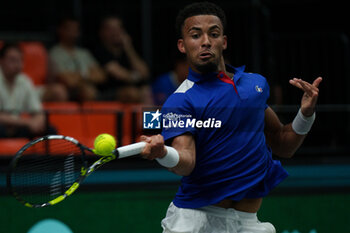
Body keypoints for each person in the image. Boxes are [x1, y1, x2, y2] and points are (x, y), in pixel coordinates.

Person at [140, 2, 322, 233]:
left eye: (213, 34)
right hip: (195, 221)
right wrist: (163, 153)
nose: (206, 41)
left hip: (248, 223)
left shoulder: (255, 85)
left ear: (223, 42)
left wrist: (305, 114)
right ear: (182, 45)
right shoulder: (179, 102)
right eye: (195, 35)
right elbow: (186, 161)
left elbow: (282, 142)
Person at [93, 15, 152, 104]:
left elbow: (144, 73)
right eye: (111, 29)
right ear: (102, 32)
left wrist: (128, 47)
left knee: (146, 90)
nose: (115, 32)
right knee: (132, 93)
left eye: (118, 28)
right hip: (106, 93)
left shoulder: (126, 52)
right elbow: (120, 74)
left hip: (129, 90)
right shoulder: (99, 52)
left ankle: (148, 118)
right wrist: (137, 76)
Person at [50, 17, 105, 102]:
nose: (73, 33)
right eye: (69, 29)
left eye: (76, 30)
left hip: (91, 89)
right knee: (88, 92)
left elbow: (101, 76)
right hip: (69, 93)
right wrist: (88, 74)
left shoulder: (84, 53)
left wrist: (78, 75)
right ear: (60, 30)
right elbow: (68, 81)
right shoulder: (54, 53)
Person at [0, 43, 49, 138]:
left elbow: (38, 111)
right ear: (1, 61)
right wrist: (28, 122)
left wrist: (38, 122)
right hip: (4, 127)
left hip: (19, 127)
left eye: (20, 60)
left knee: (50, 129)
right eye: (12, 60)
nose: (17, 64)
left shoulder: (25, 81)